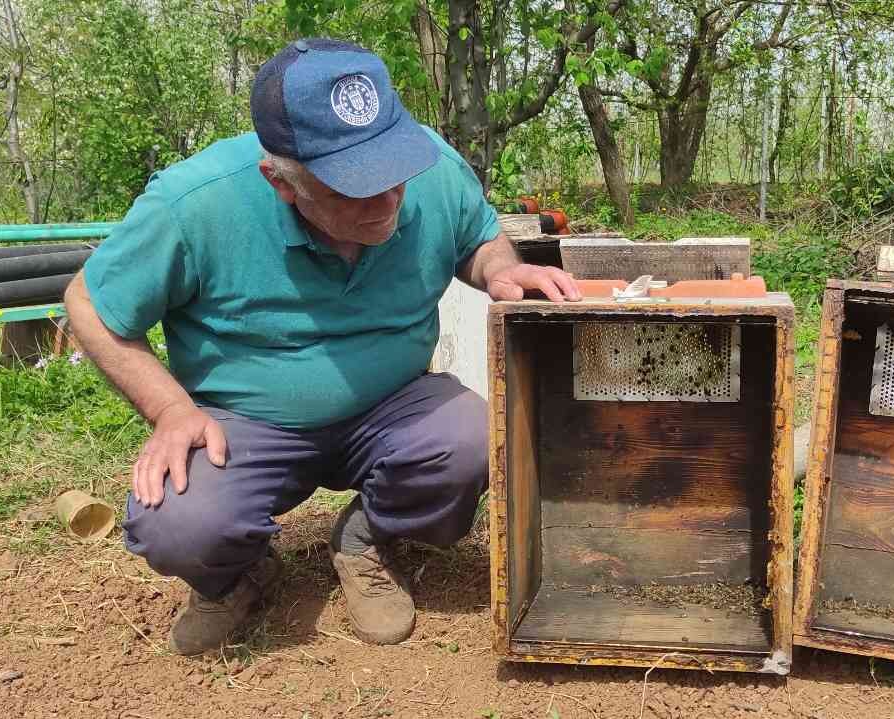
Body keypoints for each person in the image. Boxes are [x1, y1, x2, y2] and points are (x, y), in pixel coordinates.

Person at [63, 38, 581, 656]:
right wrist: (171, 410)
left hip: (393, 404)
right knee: (178, 522)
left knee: (475, 439)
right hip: (243, 422)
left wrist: (501, 270)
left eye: (395, 177)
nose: (388, 203)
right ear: (280, 181)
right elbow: (88, 303)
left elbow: (479, 234)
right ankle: (240, 572)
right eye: (352, 188)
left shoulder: (432, 165)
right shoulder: (195, 204)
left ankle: (367, 539)